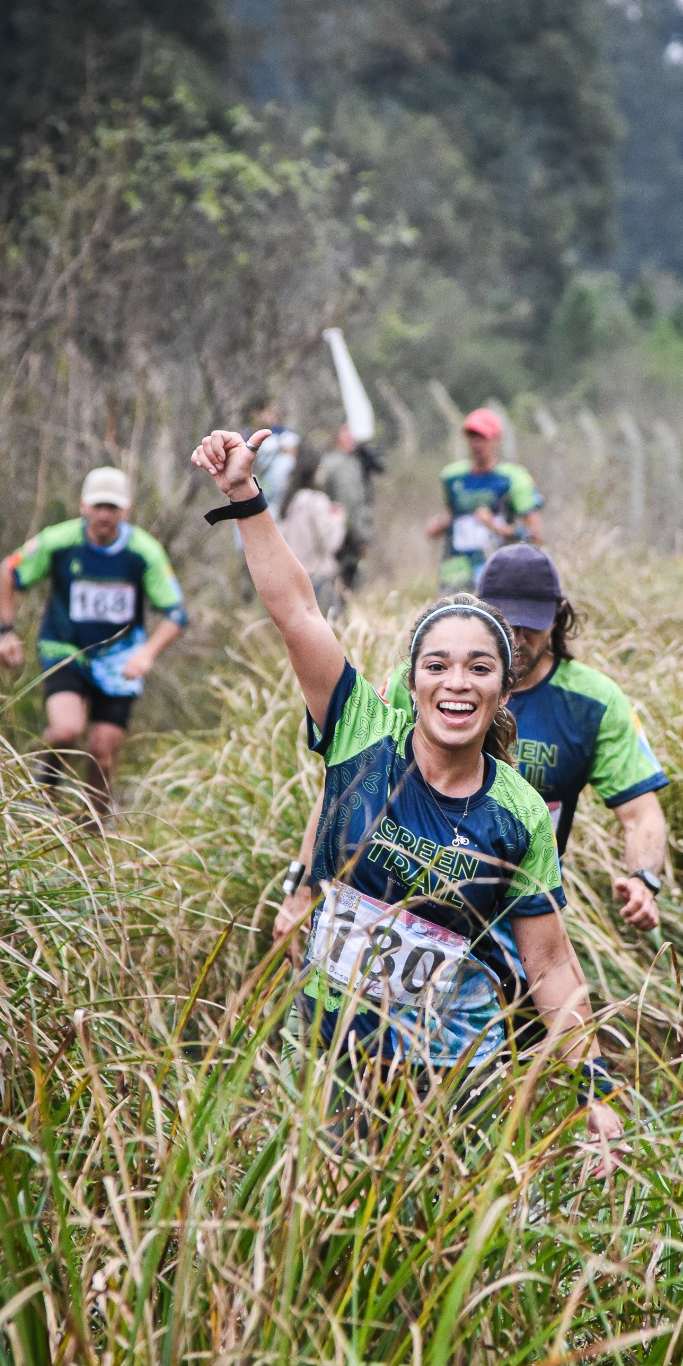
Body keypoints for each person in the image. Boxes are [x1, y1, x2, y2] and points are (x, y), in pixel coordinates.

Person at [191, 426, 623, 1169]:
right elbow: (297, 611)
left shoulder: (517, 812)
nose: (458, 681)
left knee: (433, 1232)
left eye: (479, 668)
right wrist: (244, 496)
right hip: (330, 1038)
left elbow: (551, 969)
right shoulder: (360, 727)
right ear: (414, 680)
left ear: (501, 688)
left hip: (452, 1060)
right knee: (318, 1215)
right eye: (439, 665)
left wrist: (595, 1093)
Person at [275, 544, 668, 992]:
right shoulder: (430, 679)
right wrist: (302, 885)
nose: (517, 637)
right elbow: (348, 781)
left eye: (531, 625)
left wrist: (642, 878)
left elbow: (642, 814)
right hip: (408, 897)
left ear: (558, 618)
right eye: (506, 621)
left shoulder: (595, 703)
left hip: (516, 904)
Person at [0, 465, 187, 813]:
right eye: (98, 506)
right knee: (66, 731)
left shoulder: (145, 551)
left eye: (112, 507)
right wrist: (5, 631)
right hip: (64, 649)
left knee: (101, 751)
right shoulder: (59, 540)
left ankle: (95, 831)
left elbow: (175, 613)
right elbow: (9, 570)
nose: (104, 515)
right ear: (83, 505)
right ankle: (43, 798)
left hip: (118, 660)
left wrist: (147, 653)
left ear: (125, 510)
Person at [426, 408, 544, 591]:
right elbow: (452, 514)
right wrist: (439, 525)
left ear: (497, 439)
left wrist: (494, 525)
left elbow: (535, 535)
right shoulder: (453, 477)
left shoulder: (513, 478)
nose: (477, 444)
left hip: (497, 569)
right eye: (472, 436)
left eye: (483, 437)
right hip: (456, 574)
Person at [277, 442, 347, 618]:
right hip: (319, 579)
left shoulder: (289, 501)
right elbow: (330, 542)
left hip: (296, 582)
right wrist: (338, 519)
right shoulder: (317, 501)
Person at [317, 423, 385, 592]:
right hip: (345, 538)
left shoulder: (329, 461)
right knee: (345, 587)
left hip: (328, 534)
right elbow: (351, 503)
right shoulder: (343, 465)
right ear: (338, 435)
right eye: (346, 430)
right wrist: (361, 537)